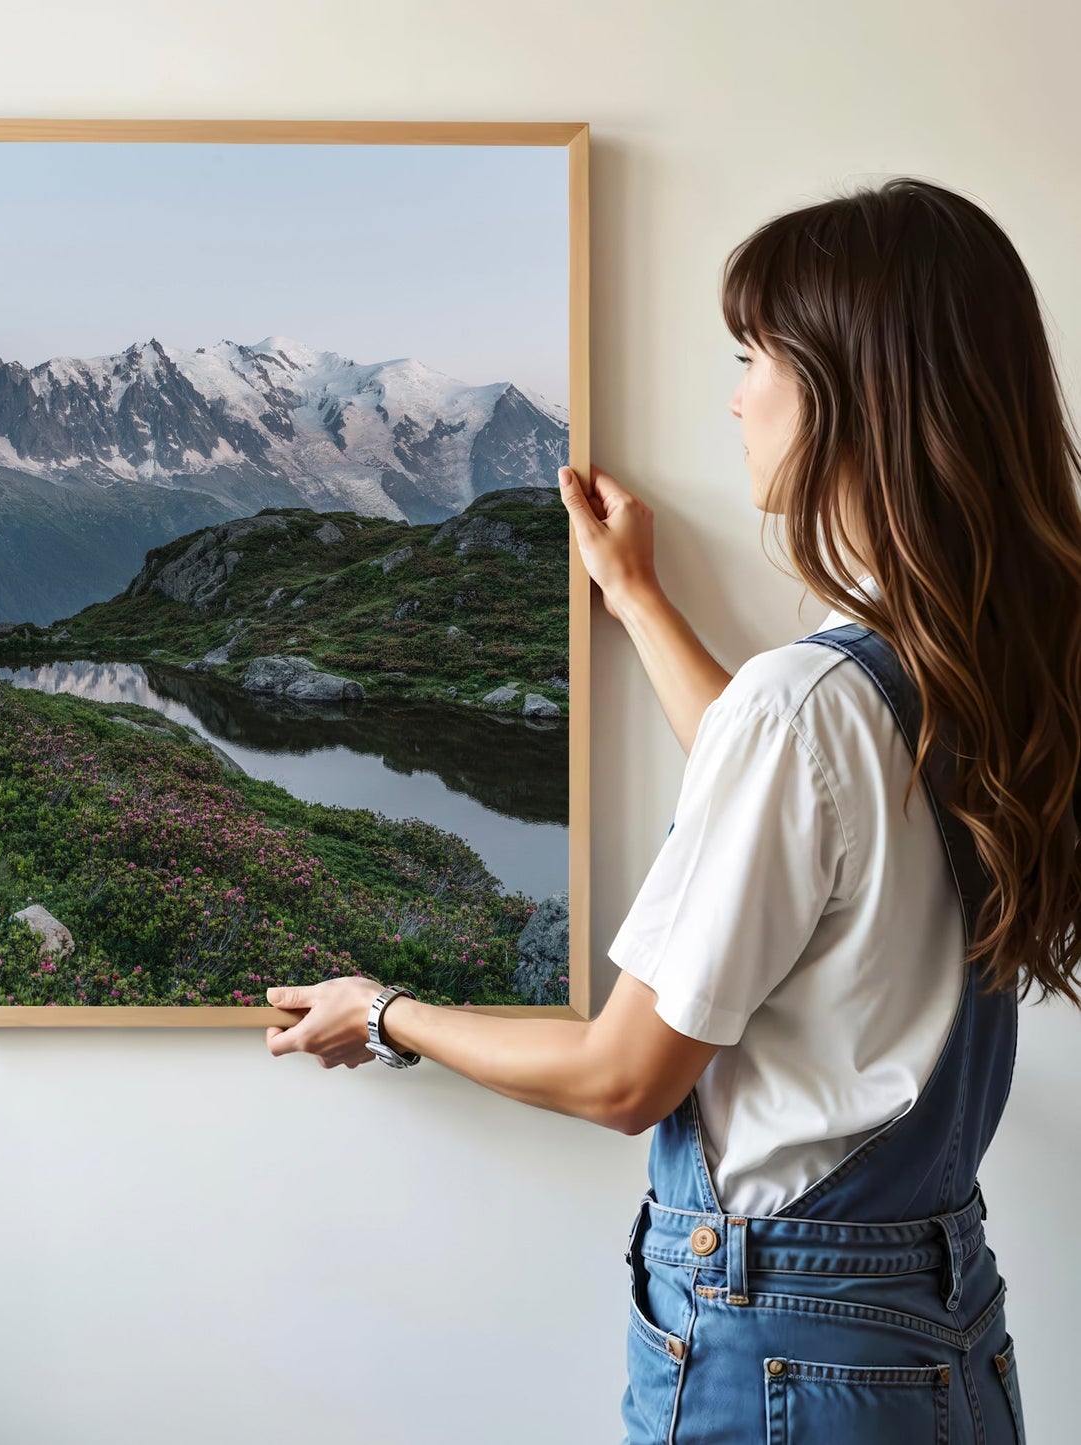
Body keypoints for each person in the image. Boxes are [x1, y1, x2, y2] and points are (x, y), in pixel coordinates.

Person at [263, 176, 1081, 1443]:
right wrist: (638, 597)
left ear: (850, 392)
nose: (735, 392)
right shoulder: (975, 664)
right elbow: (803, 820)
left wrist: (381, 1012)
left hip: (781, 1347)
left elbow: (620, 1075)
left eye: (754, 356)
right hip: (934, 1326)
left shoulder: (809, 703)